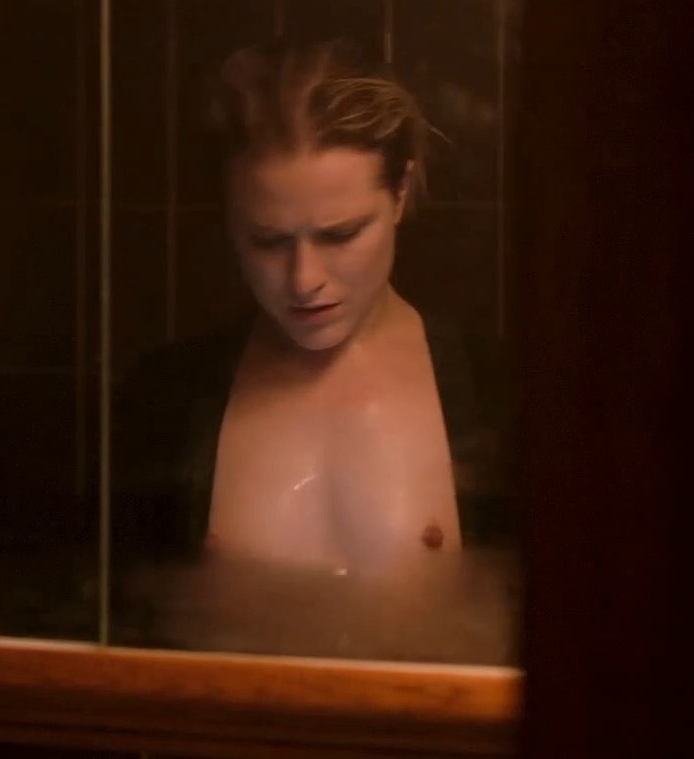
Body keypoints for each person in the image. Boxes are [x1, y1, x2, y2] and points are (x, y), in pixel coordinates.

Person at [110, 37, 514, 662]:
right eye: (267, 240)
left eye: (341, 234)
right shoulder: (167, 399)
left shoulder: (498, 396)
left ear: (401, 193)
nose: (304, 280)